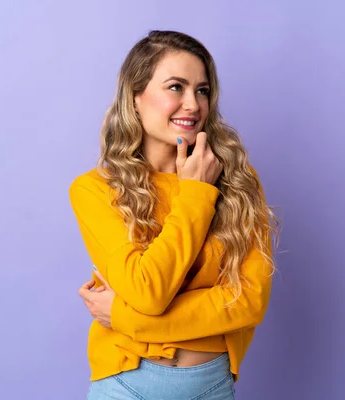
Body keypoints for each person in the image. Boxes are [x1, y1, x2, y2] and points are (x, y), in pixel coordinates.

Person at [69, 30, 278, 400]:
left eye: (202, 90)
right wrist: (197, 193)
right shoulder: (95, 189)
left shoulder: (242, 182)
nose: (193, 104)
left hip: (211, 386)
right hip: (126, 384)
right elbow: (149, 291)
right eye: (175, 87)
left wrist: (126, 317)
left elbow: (248, 302)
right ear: (135, 97)